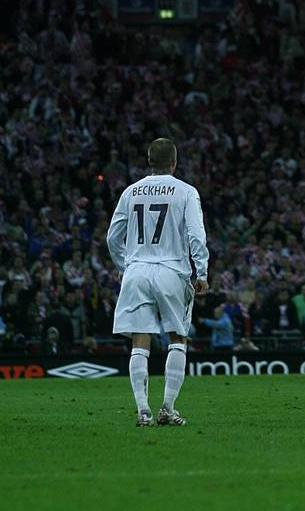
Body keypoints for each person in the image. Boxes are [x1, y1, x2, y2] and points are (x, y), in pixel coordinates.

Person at [107, 137, 209, 428]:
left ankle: (143, 411)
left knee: (140, 340)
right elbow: (196, 235)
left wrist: (123, 266)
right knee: (177, 337)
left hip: (137, 270)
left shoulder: (131, 191)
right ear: (175, 162)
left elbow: (113, 237)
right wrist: (201, 272)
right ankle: (167, 408)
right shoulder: (186, 192)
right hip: (170, 271)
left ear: (149, 161)